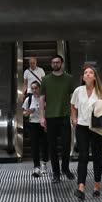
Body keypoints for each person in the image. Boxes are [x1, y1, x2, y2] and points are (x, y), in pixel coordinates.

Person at [71, 66, 102, 200]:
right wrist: (74, 117)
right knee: (83, 155)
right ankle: (81, 187)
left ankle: (96, 185)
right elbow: (73, 104)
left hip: (98, 127)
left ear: (95, 77)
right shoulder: (78, 90)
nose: (87, 74)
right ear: (83, 77)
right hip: (82, 126)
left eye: (90, 72)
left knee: (97, 156)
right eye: (85, 73)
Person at [40, 55, 76, 183]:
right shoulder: (45, 79)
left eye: (57, 62)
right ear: (51, 64)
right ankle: (56, 173)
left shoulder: (69, 79)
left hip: (65, 116)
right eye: (53, 62)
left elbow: (73, 98)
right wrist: (42, 117)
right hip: (50, 117)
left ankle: (65, 169)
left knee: (66, 145)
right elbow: (41, 98)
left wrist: (74, 115)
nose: (55, 64)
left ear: (62, 63)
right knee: (52, 147)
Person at [23, 81, 48, 177]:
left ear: (39, 88)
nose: (34, 90)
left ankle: (44, 164)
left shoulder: (45, 98)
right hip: (33, 124)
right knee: (34, 146)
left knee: (44, 144)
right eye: (32, 88)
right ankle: (36, 167)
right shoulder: (28, 99)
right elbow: (24, 113)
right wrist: (28, 112)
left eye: (36, 88)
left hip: (43, 124)